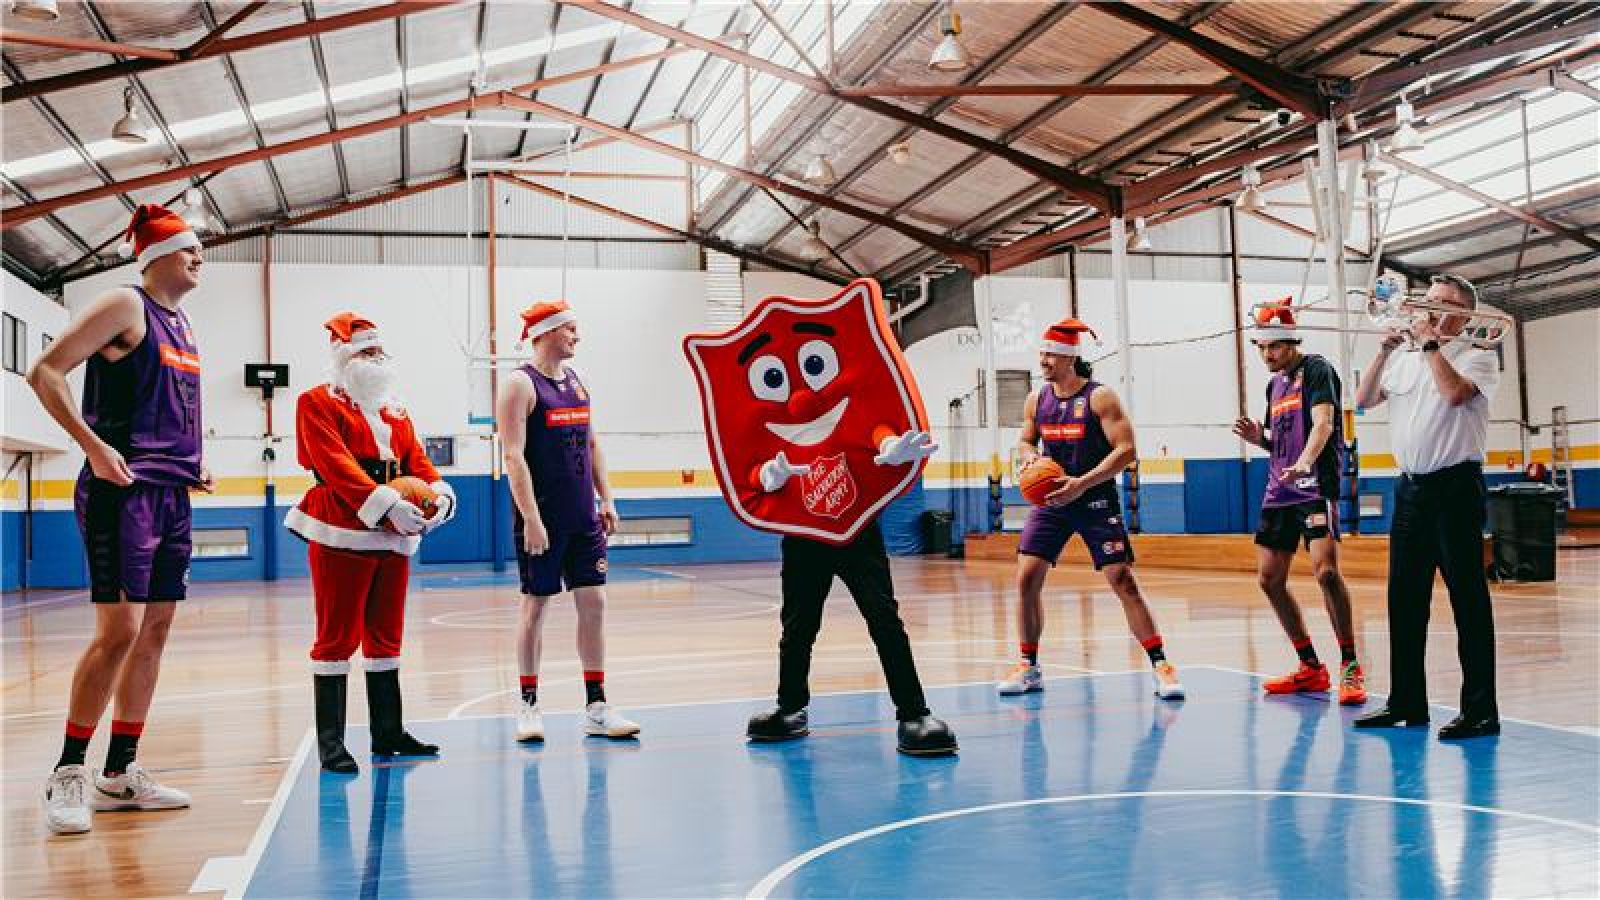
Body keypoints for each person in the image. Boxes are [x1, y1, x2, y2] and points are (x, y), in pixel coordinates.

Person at [681, 277, 957, 755]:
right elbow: (753, 459)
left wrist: (891, 449)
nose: (801, 399)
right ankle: (790, 708)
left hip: (856, 526)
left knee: (883, 618)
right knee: (798, 625)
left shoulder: (851, 413)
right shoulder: (774, 431)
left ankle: (914, 713)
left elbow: (873, 424)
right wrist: (769, 475)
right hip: (803, 532)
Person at [28, 204, 211, 834]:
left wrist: (193, 464)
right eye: (189, 248)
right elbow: (44, 371)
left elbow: (168, 407)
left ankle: (119, 772)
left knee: (155, 628)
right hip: (119, 491)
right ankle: (68, 771)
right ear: (157, 255)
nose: (199, 257)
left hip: (170, 493)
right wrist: (92, 446)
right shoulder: (122, 305)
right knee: (119, 631)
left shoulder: (181, 323)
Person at [284, 313, 456, 772]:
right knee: (336, 637)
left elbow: (417, 462)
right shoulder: (315, 402)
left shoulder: (395, 410)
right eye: (365, 351)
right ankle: (332, 745)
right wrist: (386, 504)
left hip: (392, 535)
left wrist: (438, 496)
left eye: (379, 351)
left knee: (386, 634)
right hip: (341, 525)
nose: (374, 359)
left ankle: (388, 733)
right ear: (342, 357)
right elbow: (335, 465)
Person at [997, 318, 1184, 702]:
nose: (1044, 360)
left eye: (1051, 354)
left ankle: (1161, 664)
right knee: (1026, 577)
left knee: (1121, 579)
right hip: (1051, 500)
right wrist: (1030, 459)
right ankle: (1028, 665)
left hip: (1093, 497)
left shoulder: (1101, 398)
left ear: (1070, 359)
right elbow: (1025, 441)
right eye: (1042, 353)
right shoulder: (1037, 399)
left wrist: (1080, 483)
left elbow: (1127, 451)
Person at [1353, 274, 1502, 739]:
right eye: (1426, 300)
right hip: (1411, 492)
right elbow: (1361, 402)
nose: (1425, 307)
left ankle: (1480, 712)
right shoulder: (1405, 358)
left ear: (1462, 313)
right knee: (1405, 601)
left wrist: (1432, 346)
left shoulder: (1479, 358)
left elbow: (1455, 395)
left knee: (1468, 602)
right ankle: (1406, 703)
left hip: (1456, 490)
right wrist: (1383, 350)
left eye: (1438, 302)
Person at [497, 301, 639, 743]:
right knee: (536, 607)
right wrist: (531, 519)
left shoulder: (578, 383)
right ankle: (528, 705)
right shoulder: (521, 384)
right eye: (571, 330)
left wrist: (608, 498)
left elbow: (593, 444)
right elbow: (512, 455)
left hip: (583, 520)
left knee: (594, 605)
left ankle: (596, 706)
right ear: (546, 333)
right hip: (542, 520)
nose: (578, 337)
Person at [1231, 300, 1365, 705]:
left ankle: (1350, 665)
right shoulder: (1274, 386)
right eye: (1260, 348)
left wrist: (1304, 463)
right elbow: (1279, 441)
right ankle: (1310, 666)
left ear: (1291, 343)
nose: (1266, 355)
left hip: (1313, 485)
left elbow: (1324, 425)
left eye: (1273, 347)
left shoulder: (1319, 370)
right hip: (1279, 489)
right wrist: (1260, 440)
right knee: (1269, 579)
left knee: (1325, 573)